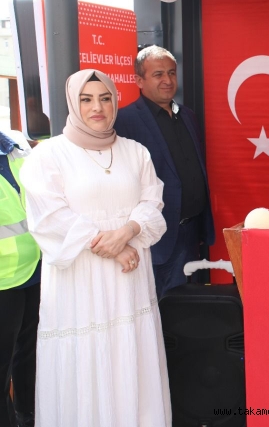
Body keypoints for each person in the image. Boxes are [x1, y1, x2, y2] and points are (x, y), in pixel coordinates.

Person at [19, 70, 170, 426]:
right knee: (87, 362)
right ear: (73, 104)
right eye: (86, 99)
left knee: (130, 358)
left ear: (116, 101)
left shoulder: (135, 152)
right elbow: (49, 217)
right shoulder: (48, 155)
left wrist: (129, 230)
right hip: (79, 284)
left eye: (104, 98)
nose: (97, 107)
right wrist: (114, 246)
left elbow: (153, 204)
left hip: (130, 282)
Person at [115, 46, 215, 298]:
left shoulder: (187, 116)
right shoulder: (124, 121)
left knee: (190, 308)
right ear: (139, 80)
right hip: (157, 240)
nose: (167, 80)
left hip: (192, 233)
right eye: (158, 74)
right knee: (161, 307)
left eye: (171, 73)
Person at [0, 130, 39, 427]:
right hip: (2, 281)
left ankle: (29, 416)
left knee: (30, 356)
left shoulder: (16, 144)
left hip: (35, 270)